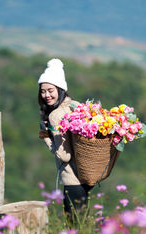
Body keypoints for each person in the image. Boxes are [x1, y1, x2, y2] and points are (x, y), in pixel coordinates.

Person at [38, 58, 93, 220]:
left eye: (50, 90)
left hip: (72, 179)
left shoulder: (55, 115)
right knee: (84, 227)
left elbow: (64, 155)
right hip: (86, 177)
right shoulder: (75, 105)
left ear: (60, 89)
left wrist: (46, 137)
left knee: (75, 230)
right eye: (43, 91)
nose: (46, 95)